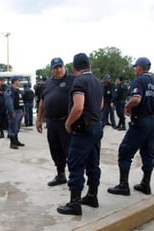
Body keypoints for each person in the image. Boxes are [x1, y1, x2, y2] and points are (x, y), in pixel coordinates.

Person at [107, 57, 154, 196]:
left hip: (140, 122)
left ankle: (123, 185)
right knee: (148, 153)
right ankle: (146, 184)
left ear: (139, 67)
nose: (134, 70)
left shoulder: (139, 81)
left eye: (135, 67)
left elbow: (136, 99)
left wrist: (128, 106)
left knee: (125, 151)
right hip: (153, 122)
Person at [57, 53, 104, 216]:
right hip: (97, 127)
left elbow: (78, 107)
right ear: (88, 65)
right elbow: (101, 104)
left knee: (76, 164)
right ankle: (92, 195)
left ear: (74, 67)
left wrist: (68, 123)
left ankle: (74, 203)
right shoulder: (98, 82)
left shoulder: (80, 81)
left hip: (83, 130)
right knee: (93, 163)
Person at [36, 57, 75, 187]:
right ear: (51, 69)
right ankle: (61, 175)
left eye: (60, 67)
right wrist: (39, 119)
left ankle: (75, 177)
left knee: (70, 151)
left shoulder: (72, 80)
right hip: (51, 123)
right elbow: (42, 101)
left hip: (66, 122)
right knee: (55, 149)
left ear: (64, 67)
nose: (58, 70)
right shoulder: (47, 84)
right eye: (55, 68)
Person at [5, 76, 25, 149]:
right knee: (12, 127)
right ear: (15, 81)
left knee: (17, 127)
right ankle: (12, 143)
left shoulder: (18, 90)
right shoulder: (10, 91)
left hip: (19, 111)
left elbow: (21, 101)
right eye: (18, 81)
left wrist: (23, 110)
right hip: (14, 111)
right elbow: (9, 102)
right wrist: (12, 111)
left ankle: (16, 140)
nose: (19, 82)